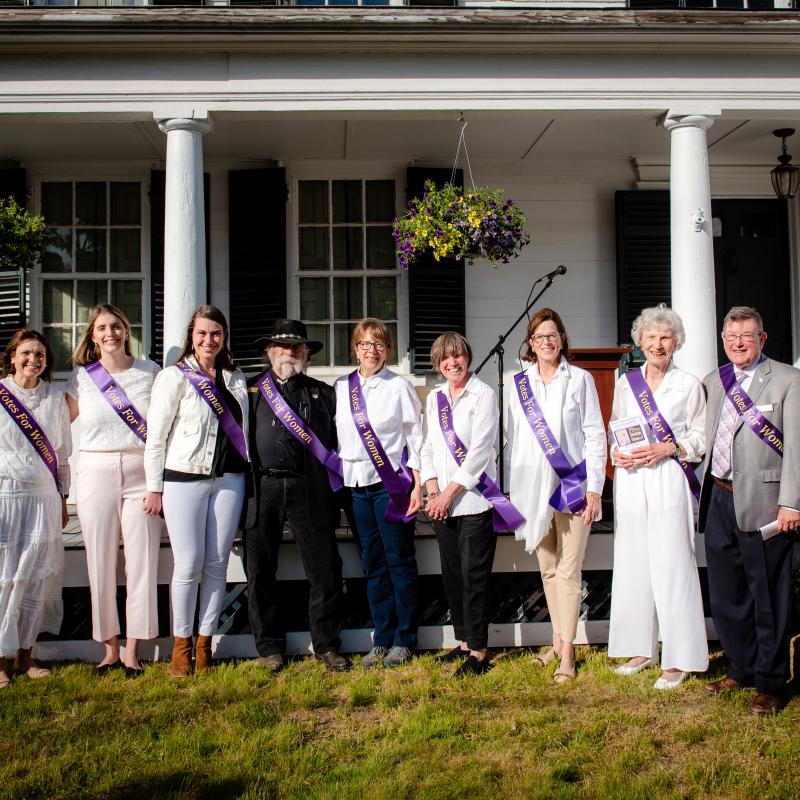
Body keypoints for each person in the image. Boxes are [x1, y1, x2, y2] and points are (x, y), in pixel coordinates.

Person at [699, 306, 799, 716]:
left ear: (762, 339)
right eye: (731, 336)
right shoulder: (713, 382)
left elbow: (796, 447)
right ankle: (741, 667)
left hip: (765, 501)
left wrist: (792, 501)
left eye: (747, 335)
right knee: (727, 594)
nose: (738, 342)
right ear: (723, 340)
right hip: (719, 497)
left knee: (768, 597)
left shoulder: (788, 380)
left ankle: (772, 682)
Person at [143, 306, 249, 677]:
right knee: (187, 564)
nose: (209, 340)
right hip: (183, 478)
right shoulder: (174, 377)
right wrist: (154, 486)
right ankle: (181, 645)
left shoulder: (235, 378)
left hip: (230, 480)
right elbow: (155, 439)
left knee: (217, 564)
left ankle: (205, 645)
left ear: (224, 337)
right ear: (192, 335)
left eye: (216, 333)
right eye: (202, 333)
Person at [607, 305, 708, 689]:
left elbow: (700, 436)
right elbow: (618, 425)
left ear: (676, 342)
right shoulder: (625, 382)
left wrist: (670, 448)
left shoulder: (688, 384)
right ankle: (641, 647)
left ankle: (679, 656)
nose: (658, 344)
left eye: (665, 337)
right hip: (633, 478)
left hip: (669, 476)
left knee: (673, 563)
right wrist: (617, 452)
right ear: (640, 343)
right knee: (634, 560)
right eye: (651, 338)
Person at [506, 308, 606, 683]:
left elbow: (595, 433)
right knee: (547, 568)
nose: (546, 342)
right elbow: (514, 440)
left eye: (553, 335)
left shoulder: (580, 379)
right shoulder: (519, 383)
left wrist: (594, 486)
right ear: (530, 344)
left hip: (572, 485)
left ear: (562, 339)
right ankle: (556, 640)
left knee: (568, 569)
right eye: (539, 337)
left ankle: (567, 652)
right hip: (533, 487)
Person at [244, 319, 347, 673]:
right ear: (269, 352)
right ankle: (270, 647)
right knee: (259, 570)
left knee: (325, 568)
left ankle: (327, 645)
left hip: (310, 487)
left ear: (305, 353)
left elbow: (338, 444)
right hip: (263, 488)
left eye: (295, 347)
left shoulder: (323, 394)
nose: (288, 353)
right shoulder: (248, 392)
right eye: (282, 347)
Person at [66, 304, 162, 677]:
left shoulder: (149, 372)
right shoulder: (80, 379)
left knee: (141, 560)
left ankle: (133, 649)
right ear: (93, 335)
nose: (111, 333)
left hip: (141, 470)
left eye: (117, 326)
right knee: (100, 560)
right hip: (95, 470)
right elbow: (58, 423)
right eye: (103, 327)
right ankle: (108, 646)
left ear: (126, 330)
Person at [422, 332, 523, 677]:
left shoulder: (483, 395)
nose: (453, 362)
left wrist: (447, 496)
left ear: (467, 357)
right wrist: (433, 491)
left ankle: (479, 651)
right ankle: (463, 642)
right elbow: (427, 448)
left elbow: (479, 453)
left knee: (474, 577)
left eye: (458, 355)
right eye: (445, 358)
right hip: (442, 506)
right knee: (452, 577)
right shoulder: (434, 398)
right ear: (437, 364)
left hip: (474, 503)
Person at [335, 318, 423, 668]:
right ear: (355, 349)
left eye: (379, 344)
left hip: (391, 487)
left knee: (399, 561)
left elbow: (416, 437)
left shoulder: (399, 387)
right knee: (372, 565)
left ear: (388, 349)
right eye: (364, 344)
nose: (372, 350)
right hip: (355, 488)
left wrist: (418, 484)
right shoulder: (342, 387)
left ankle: (405, 639)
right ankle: (381, 638)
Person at [0, 329, 71, 687]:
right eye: (26, 353)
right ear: (12, 357)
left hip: (43, 495)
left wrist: (62, 497)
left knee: (36, 575)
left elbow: (60, 454)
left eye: (40, 355)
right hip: (6, 495)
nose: (33, 360)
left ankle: (26, 654)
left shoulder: (55, 398)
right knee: (5, 577)